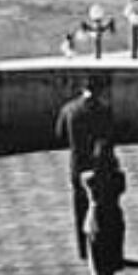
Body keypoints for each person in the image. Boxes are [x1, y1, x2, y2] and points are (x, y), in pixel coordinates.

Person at [54, 82, 115, 261]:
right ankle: (101, 246)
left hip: (78, 164)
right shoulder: (104, 111)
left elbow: (60, 135)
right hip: (99, 165)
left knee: (80, 205)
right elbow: (109, 137)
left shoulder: (69, 109)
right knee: (101, 204)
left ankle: (83, 249)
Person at [79, 140, 126, 275]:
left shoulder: (90, 178)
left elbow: (82, 177)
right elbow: (122, 188)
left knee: (96, 257)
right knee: (109, 256)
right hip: (113, 215)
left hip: (96, 217)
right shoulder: (119, 177)